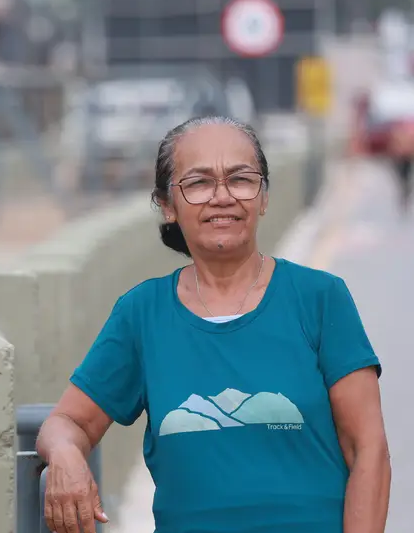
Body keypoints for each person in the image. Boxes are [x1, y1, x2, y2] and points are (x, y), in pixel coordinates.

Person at [35, 116, 391, 533]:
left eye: (241, 179)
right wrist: (65, 457)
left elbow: (367, 449)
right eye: (199, 183)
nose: (223, 197)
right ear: (167, 205)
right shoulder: (141, 313)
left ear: (263, 197)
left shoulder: (320, 298)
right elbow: (66, 423)